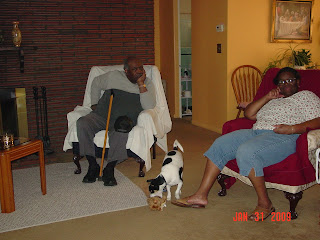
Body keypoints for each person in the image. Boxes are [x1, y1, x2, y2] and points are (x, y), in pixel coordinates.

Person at [171, 67, 320, 221]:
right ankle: (200, 196)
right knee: (220, 144)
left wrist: (292, 128)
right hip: (256, 131)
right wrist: (267, 97)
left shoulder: (307, 96)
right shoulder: (274, 99)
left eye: (290, 80)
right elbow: (248, 114)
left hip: (284, 135)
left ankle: (265, 203)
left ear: (298, 82)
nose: (286, 84)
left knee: (247, 151)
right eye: (281, 81)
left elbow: (318, 119)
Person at [75, 56, 156, 186]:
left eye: (141, 67)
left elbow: (149, 106)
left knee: (121, 130)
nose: (139, 71)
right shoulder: (113, 77)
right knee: (82, 123)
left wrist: (141, 84)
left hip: (123, 121)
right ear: (126, 71)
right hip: (102, 116)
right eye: (135, 69)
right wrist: (94, 103)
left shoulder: (147, 83)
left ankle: (109, 168)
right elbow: (96, 82)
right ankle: (92, 165)